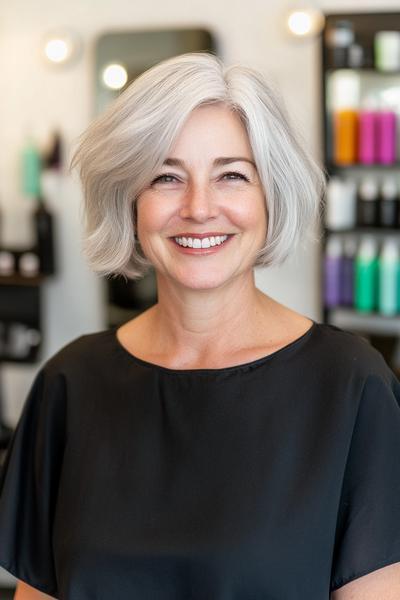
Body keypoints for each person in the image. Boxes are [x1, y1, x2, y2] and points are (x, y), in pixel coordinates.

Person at [0, 52, 399, 600]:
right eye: (167, 177)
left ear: (270, 195)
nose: (199, 207)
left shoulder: (351, 385)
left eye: (232, 175)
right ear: (130, 200)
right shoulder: (69, 384)